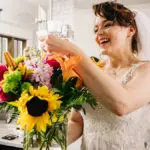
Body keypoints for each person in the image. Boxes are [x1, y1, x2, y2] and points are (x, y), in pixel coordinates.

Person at [40, 1, 150, 150]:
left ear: (130, 30)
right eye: (95, 29)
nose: (99, 34)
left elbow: (122, 104)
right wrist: (47, 143)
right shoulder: (93, 67)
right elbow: (76, 121)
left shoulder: (146, 70)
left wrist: (73, 52)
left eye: (108, 24)